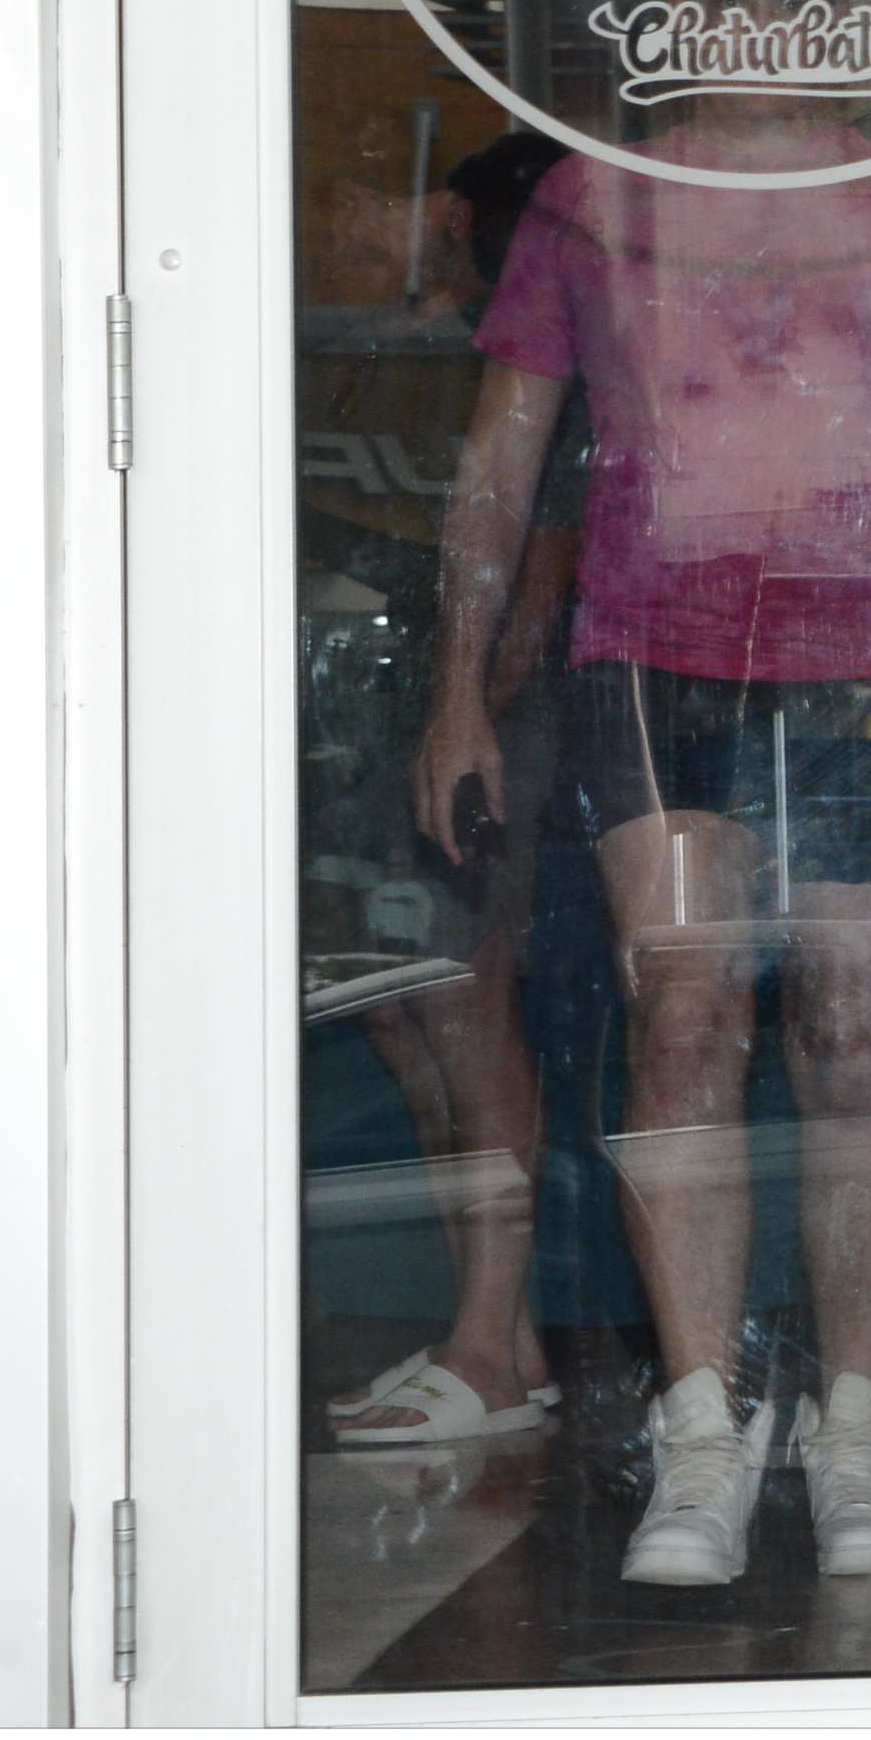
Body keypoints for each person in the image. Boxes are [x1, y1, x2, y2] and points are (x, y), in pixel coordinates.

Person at [411, 0, 871, 1591]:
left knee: (860, 1027)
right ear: (671, 16)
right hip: (652, 655)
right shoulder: (596, 195)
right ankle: (704, 1432)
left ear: (824, 9)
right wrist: (456, 685)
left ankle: (855, 1429)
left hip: (863, 651)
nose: (748, 21)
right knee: (683, 1021)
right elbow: (502, 455)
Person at [302, 124, 572, 1448]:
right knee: (404, 1012)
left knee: (467, 1005)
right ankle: (498, 1339)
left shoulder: (541, 357)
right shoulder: (414, 351)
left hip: (481, 722)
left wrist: (470, 717)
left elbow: (539, 575)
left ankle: (489, 1335)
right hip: (391, 710)